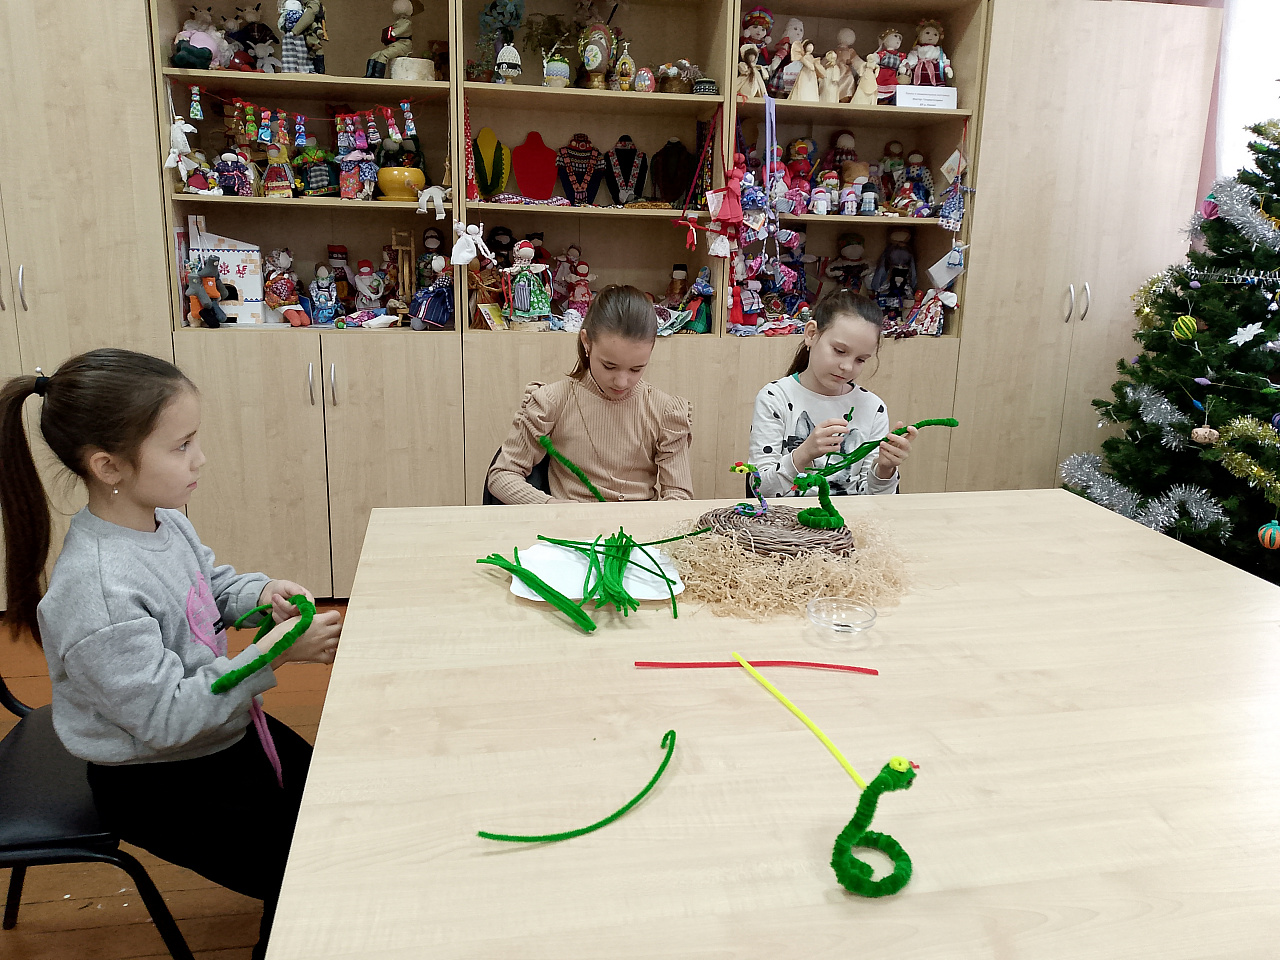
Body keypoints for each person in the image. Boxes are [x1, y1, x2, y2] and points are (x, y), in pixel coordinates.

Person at [0, 349, 342, 960]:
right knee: (309, 878)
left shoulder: (164, 522)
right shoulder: (98, 591)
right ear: (109, 466)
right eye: (181, 445)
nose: (199, 458)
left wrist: (259, 593)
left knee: (335, 809)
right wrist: (275, 656)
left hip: (219, 733)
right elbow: (164, 719)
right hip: (160, 778)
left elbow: (209, 587)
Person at [487, 284, 694, 504]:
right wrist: (552, 507)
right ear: (587, 342)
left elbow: (679, 495)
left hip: (641, 525)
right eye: (609, 366)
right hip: (571, 524)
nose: (621, 382)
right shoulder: (553, 401)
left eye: (636, 369)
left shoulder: (665, 412)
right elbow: (502, 475)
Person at [749, 290, 915, 498]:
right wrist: (804, 454)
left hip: (849, 518)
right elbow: (760, 490)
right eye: (839, 351)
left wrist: (885, 469)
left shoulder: (872, 408)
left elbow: (876, 502)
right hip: (786, 518)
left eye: (860, 360)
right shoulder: (775, 398)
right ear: (811, 334)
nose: (847, 367)